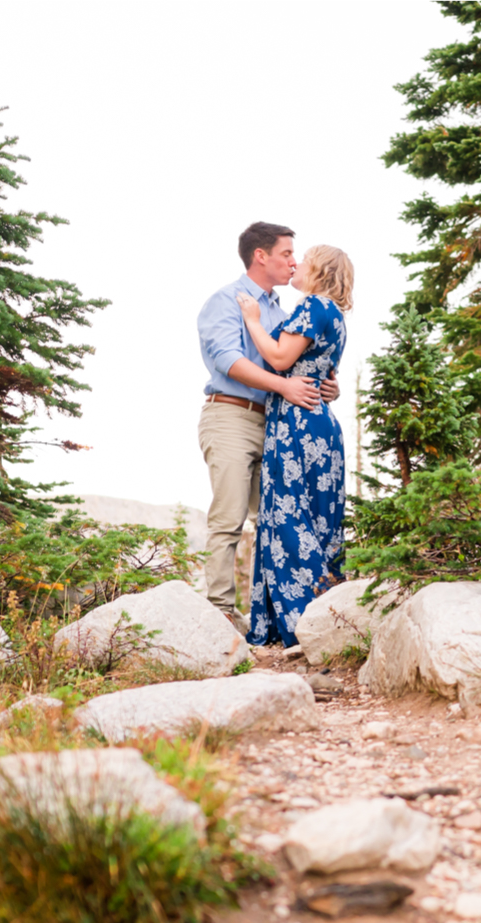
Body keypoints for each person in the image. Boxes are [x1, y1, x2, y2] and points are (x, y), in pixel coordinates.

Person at [196, 222, 337, 627]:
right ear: (261, 256)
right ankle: (221, 614)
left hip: (278, 425)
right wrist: (285, 386)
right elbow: (228, 360)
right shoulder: (225, 301)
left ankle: (278, 617)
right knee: (228, 518)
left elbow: (296, 360)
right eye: (287, 254)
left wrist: (326, 385)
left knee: (277, 519)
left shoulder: (283, 310)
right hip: (230, 416)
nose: (294, 262)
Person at [236, 245, 353, 647]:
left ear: (317, 270)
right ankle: (330, 618)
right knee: (321, 521)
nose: (296, 264)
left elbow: (281, 358)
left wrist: (253, 320)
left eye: (303, 260)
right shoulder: (336, 316)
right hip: (323, 424)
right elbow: (324, 374)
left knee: (287, 516)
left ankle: (300, 623)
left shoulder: (312, 306)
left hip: (296, 425)